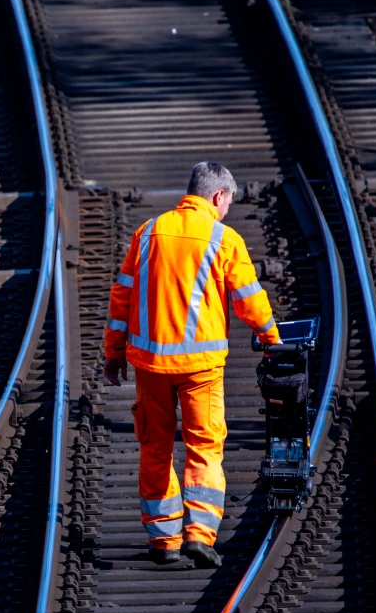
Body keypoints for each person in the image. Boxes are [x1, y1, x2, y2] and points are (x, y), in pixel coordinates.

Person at [103, 162, 280, 567]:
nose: (228, 209)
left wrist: (113, 354)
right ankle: (200, 535)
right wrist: (273, 340)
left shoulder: (147, 233)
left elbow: (121, 299)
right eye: (229, 201)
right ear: (218, 196)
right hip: (200, 369)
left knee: (155, 448)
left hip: (150, 366)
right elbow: (249, 299)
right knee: (204, 447)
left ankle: (165, 540)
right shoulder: (224, 238)